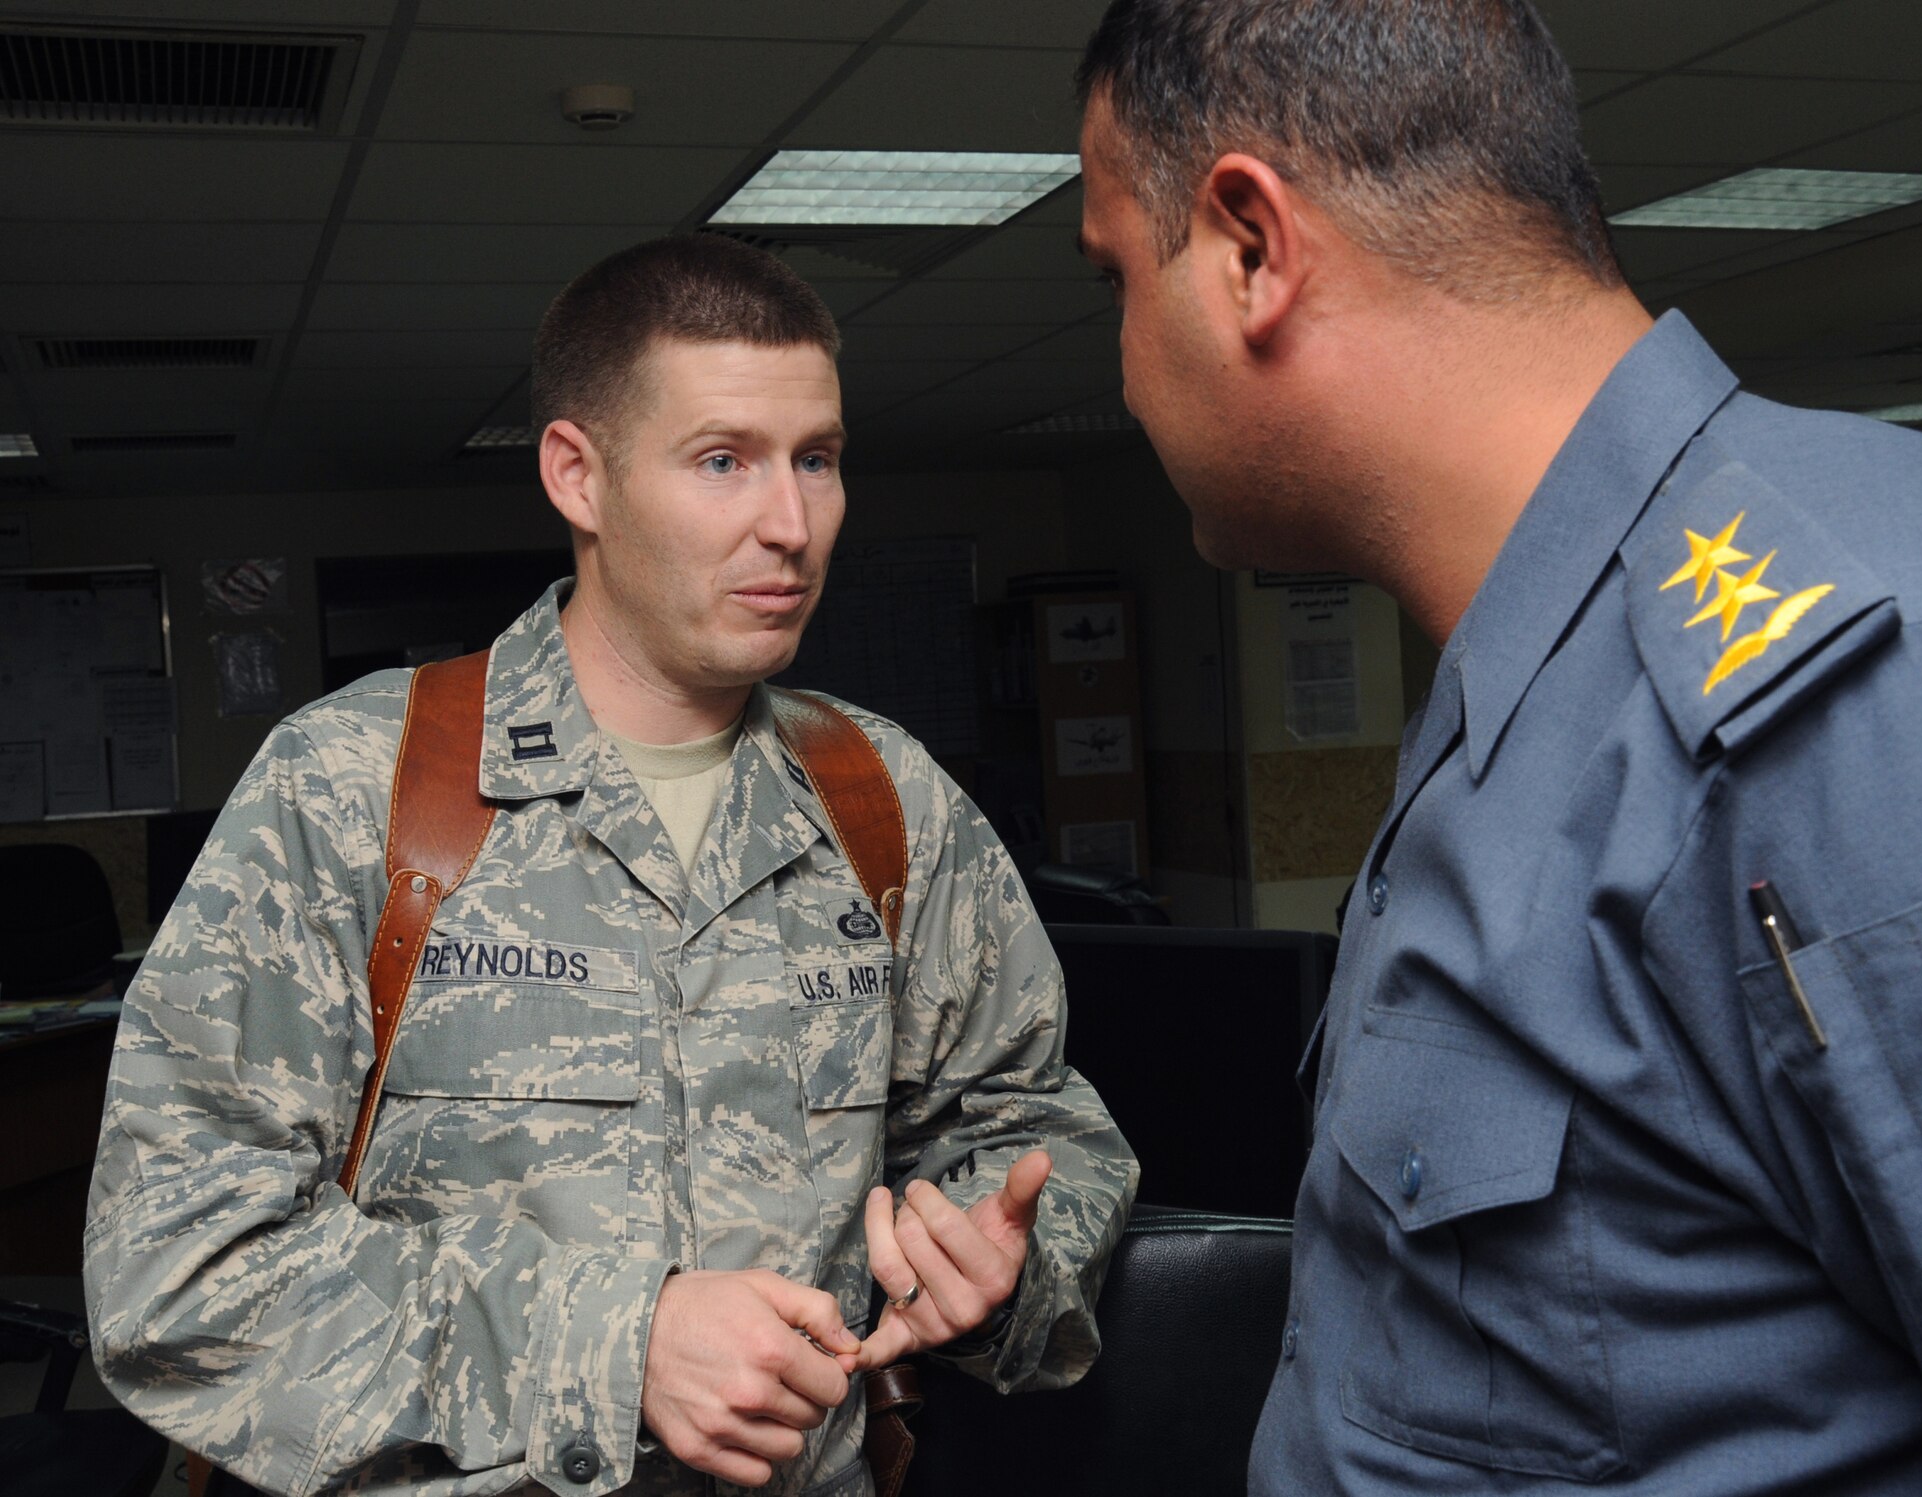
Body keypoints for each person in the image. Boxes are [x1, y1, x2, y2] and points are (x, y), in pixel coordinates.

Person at [1076, 0, 1922, 1491]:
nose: (1119, 370)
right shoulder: (1531, 684)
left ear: (1250, 247)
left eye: (1117, 277)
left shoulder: (1877, 683)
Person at [84, 234, 1137, 1496]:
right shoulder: (356, 790)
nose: (790, 524)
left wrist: (993, 1264)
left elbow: (1028, 1123)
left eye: (817, 460)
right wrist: (615, 1344)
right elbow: (176, 1268)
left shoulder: (882, 799)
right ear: (578, 477)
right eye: (721, 462)